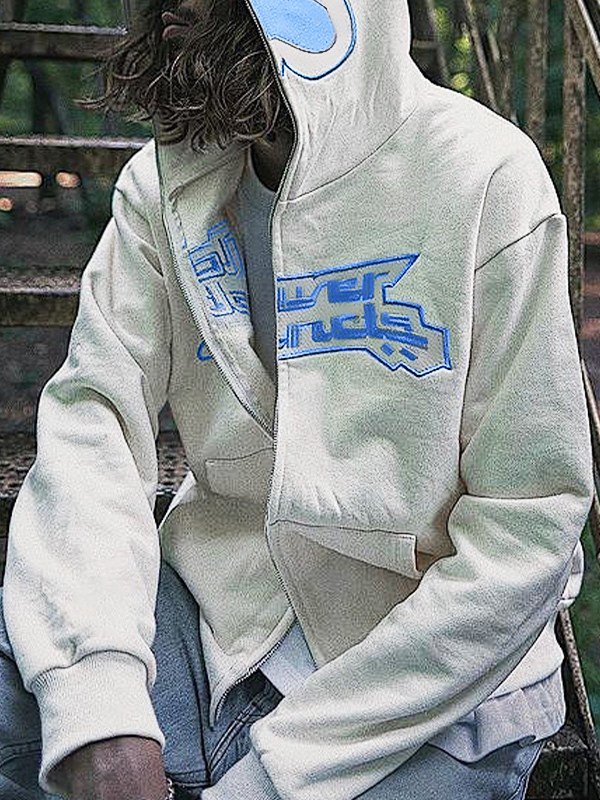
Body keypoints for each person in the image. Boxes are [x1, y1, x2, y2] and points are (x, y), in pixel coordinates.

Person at [0, 0, 594, 798]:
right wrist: (98, 701)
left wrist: (275, 779)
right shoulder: (163, 184)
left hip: (427, 683)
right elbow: (93, 424)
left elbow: (529, 519)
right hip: (216, 619)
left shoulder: (486, 175)